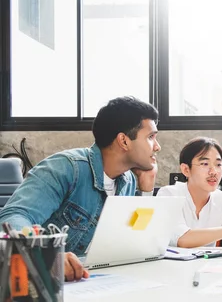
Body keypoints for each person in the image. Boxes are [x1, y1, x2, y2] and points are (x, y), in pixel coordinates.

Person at [0, 96, 160, 281]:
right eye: (151, 137)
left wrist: (146, 190)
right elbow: (13, 218)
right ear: (124, 141)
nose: (157, 146)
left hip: (90, 281)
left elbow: (131, 239)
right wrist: (44, 255)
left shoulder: (129, 181)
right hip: (38, 283)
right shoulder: (65, 168)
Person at [157, 137, 222, 253]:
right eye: (205, 164)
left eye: (218, 165)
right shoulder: (169, 194)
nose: (213, 172)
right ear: (186, 170)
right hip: (172, 267)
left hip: (207, 266)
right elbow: (182, 239)